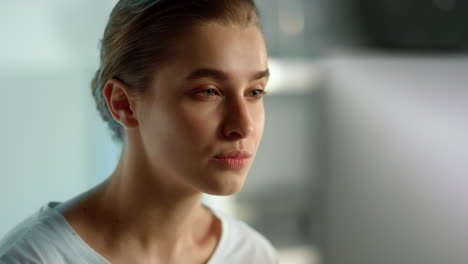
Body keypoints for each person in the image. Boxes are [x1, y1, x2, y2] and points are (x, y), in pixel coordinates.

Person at [0, 0, 278, 263]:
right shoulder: (33, 258)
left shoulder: (254, 255)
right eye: (208, 91)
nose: (243, 126)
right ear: (124, 104)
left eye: (255, 92)